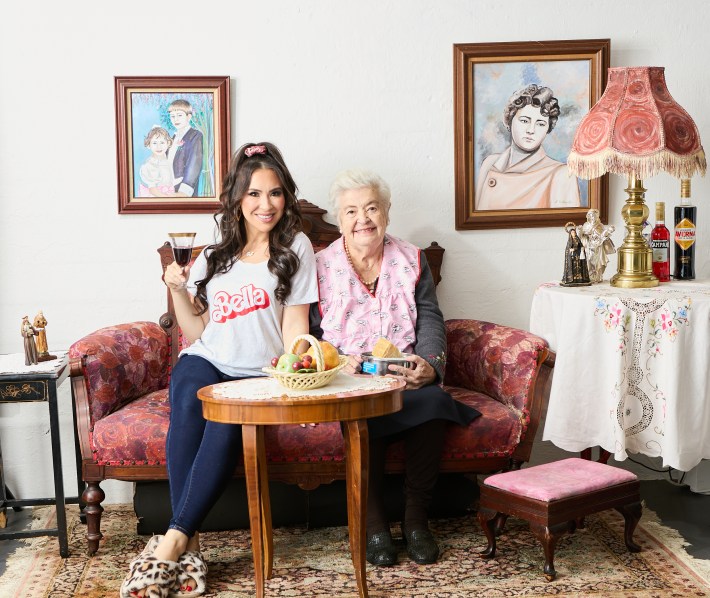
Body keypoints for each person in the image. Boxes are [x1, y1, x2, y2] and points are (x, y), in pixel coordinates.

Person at [120, 142, 318, 598]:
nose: (264, 204)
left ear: (286, 196)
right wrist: (175, 290)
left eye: (274, 193)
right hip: (206, 358)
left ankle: (174, 543)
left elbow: (295, 324)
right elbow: (194, 329)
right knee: (188, 394)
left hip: (256, 373)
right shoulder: (215, 256)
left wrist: (296, 368)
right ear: (236, 198)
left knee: (226, 423)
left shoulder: (297, 247)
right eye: (253, 194)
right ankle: (181, 541)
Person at [309, 170, 480, 567]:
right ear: (339, 218)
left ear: (386, 212)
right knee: (360, 415)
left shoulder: (413, 258)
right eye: (351, 210)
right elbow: (310, 332)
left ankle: (416, 520)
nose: (362, 218)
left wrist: (430, 365)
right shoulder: (320, 266)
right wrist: (333, 357)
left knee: (432, 401)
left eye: (371, 207)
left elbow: (431, 320)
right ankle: (374, 526)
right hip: (348, 381)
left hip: (403, 376)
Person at [476, 84, 581, 211]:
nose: (531, 130)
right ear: (509, 120)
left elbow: (566, 226)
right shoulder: (490, 163)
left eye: (540, 124)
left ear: (548, 128)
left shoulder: (562, 174)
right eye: (525, 121)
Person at [167, 99, 204, 197]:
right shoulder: (173, 138)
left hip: (184, 190)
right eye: (172, 116)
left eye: (179, 115)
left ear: (189, 117)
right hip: (170, 187)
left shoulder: (195, 135)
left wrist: (184, 191)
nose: (176, 119)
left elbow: (194, 163)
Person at [577, 208, 616, 283]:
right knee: (589, 261)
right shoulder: (586, 225)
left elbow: (603, 235)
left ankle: (598, 277)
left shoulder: (600, 225)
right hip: (588, 246)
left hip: (598, 247)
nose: (593, 218)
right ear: (588, 217)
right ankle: (589, 276)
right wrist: (580, 231)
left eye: (595, 216)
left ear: (597, 217)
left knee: (598, 262)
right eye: (591, 216)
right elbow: (581, 237)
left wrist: (609, 231)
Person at [138, 126, 175, 197]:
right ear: (148, 145)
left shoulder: (167, 162)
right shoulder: (149, 165)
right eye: (154, 143)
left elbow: (169, 180)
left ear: (168, 144)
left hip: (168, 195)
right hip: (155, 197)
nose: (159, 146)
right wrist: (167, 198)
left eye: (162, 142)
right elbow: (152, 189)